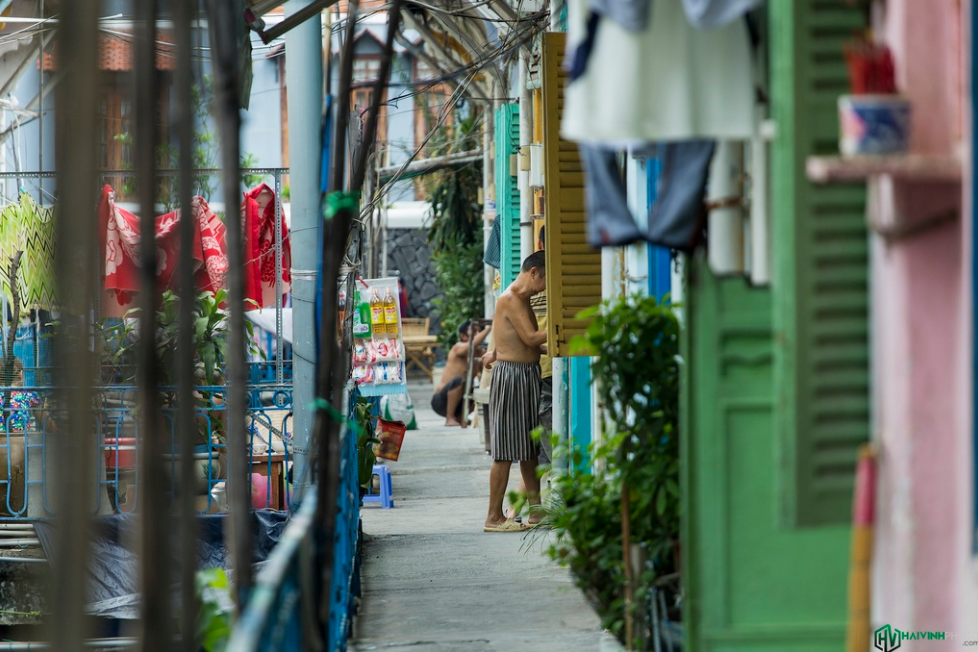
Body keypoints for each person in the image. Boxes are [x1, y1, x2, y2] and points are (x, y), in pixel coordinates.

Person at [482, 251, 547, 532]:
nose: (544, 289)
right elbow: (530, 337)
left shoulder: (522, 299)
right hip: (513, 378)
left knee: (528, 450)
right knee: (506, 451)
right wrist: (565, 322)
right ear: (533, 272)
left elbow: (516, 341)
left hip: (526, 375)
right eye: (544, 281)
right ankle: (494, 517)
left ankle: (536, 512)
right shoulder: (510, 298)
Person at [430, 321, 490, 427]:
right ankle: (449, 418)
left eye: (479, 331)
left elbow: (485, 374)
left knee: (479, 390)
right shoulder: (458, 347)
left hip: (461, 401)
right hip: (441, 402)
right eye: (474, 331)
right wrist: (489, 328)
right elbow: (471, 345)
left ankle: (461, 418)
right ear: (463, 336)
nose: (478, 334)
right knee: (459, 380)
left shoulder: (480, 353)